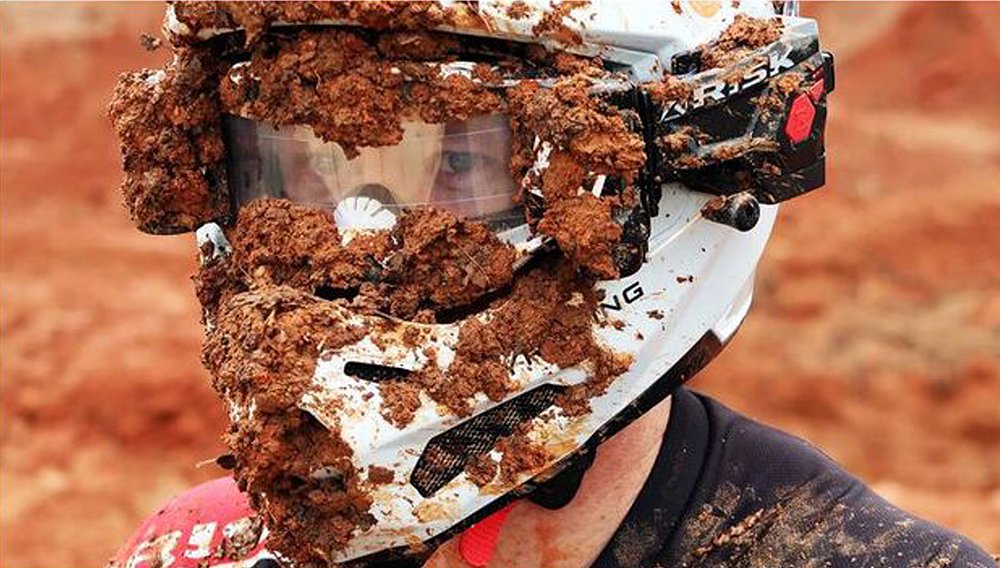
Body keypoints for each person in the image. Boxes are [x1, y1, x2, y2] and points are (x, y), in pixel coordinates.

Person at [108, 1, 996, 567]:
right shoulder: (199, 547)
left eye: (455, 158)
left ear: (667, 169)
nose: (355, 232)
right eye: (293, 165)